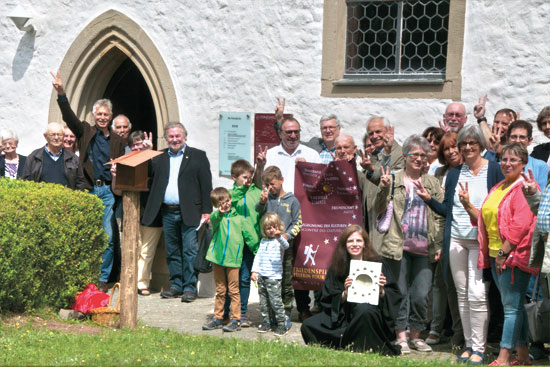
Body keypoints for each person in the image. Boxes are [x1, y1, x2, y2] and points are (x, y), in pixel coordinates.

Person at [417, 125, 504, 364]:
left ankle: (480, 347)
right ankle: (468, 345)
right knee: (462, 295)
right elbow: (447, 210)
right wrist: (429, 200)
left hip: (480, 242)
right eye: (462, 144)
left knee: (477, 295)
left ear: (480, 145)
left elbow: (499, 209)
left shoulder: (494, 170)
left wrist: (469, 206)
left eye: (471, 143)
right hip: (455, 240)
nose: (466, 147)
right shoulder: (455, 173)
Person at [51, 71, 126, 292]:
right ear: (94, 116)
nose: (102, 117)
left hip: (108, 194)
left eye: (106, 114)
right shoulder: (84, 130)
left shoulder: (118, 140)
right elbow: (68, 116)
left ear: (110, 116)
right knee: (84, 235)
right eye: (99, 114)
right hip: (88, 190)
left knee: (109, 237)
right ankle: (83, 276)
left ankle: (102, 279)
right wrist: (61, 93)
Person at [373, 134, 445, 354]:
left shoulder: (432, 182)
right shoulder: (393, 180)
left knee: (422, 295)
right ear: (405, 156)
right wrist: (384, 188)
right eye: (415, 154)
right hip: (398, 247)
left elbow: (441, 214)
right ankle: (401, 336)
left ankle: (417, 335)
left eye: (424, 155)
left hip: (425, 248)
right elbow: (378, 208)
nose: (420, 159)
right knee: (400, 293)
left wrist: (439, 243)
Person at [473, 144, 540, 366]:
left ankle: (503, 357)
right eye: (504, 159)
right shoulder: (501, 186)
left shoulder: (524, 187)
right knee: (514, 306)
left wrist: (503, 252)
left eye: (513, 160)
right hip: (496, 254)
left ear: (524, 163)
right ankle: (522, 356)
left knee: (510, 308)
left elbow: (520, 225)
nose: (507, 163)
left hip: (513, 256)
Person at [301, 224, 401, 355]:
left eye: (359, 240)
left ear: (365, 243)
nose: (355, 244)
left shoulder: (378, 263)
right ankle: (352, 341)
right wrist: (344, 294)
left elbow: (394, 295)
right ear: (345, 244)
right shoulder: (337, 267)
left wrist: (381, 290)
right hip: (343, 316)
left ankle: (354, 343)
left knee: (364, 310)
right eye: (350, 241)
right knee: (308, 326)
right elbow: (327, 298)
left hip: (368, 315)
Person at [142, 122, 212, 302]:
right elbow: (148, 175)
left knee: (190, 250)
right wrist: (148, 153)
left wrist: (207, 210)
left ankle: (189, 287)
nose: (175, 139)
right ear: (166, 138)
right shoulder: (159, 157)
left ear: (185, 137)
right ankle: (176, 285)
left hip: (190, 211)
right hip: (168, 211)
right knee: (172, 251)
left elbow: (206, 185)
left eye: (178, 136)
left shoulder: (198, 156)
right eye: (171, 136)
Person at [425, 131, 464, 348]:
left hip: (459, 235)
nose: (451, 151)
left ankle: (461, 333)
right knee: (441, 285)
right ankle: (436, 328)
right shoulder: (438, 173)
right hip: (436, 235)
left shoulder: (467, 171)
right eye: (447, 148)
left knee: (460, 287)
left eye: (454, 146)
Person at [202, 187, 258, 332]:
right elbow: (213, 219)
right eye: (221, 203)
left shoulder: (240, 219)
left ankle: (236, 319)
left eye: (227, 201)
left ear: (231, 200)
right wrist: (218, 213)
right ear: (216, 205)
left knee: (233, 290)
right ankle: (218, 317)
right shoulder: (216, 218)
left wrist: (258, 255)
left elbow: (251, 240)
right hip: (218, 259)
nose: (225, 204)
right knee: (220, 290)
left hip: (233, 260)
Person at [111, 130, 159, 296]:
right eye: (134, 145)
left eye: (140, 143)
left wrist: (150, 151)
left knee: (147, 251)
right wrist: (115, 177)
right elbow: (117, 192)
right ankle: (129, 281)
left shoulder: (155, 160)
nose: (137, 147)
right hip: (129, 211)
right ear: (130, 148)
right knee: (131, 248)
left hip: (151, 211)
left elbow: (158, 176)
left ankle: (142, 283)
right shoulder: (124, 162)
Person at [256, 166, 302, 326]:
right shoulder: (267, 199)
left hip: (285, 249)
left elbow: (298, 222)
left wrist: (287, 236)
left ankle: (286, 313)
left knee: (286, 282)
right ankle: (271, 314)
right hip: (268, 249)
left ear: (281, 180)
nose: (270, 188)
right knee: (268, 281)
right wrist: (262, 203)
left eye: (273, 184)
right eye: (267, 185)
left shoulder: (292, 200)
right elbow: (258, 213)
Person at [224, 159, 262, 327]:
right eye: (245, 177)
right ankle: (227, 312)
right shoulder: (229, 194)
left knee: (245, 279)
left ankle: (243, 313)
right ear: (234, 177)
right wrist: (242, 189)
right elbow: (229, 202)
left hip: (251, 242)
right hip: (234, 243)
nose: (249, 180)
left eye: (250, 176)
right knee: (230, 280)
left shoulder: (257, 192)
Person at [251, 213, 290, 336]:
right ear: (264, 230)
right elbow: (258, 256)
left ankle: (282, 324)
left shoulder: (280, 240)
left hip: (274, 277)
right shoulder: (263, 241)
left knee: (275, 302)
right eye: (268, 228)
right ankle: (267, 322)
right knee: (263, 302)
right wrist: (254, 271)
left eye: (274, 227)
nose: (272, 230)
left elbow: (286, 246)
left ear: (278, 227)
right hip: (262, 276)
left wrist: (279, 237)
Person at [259, 116, 322, 194]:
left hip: (301, 204)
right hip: (275, 203)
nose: (293, 136)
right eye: (289, 132)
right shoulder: (269, 155)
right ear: (280, 133)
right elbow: (258, 184)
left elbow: (320, 183)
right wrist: (259, 167)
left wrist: (307, 169)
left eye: (296, 132)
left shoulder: (312, 155)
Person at [22, 122, 85, 190]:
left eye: (59, 135)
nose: (56, 137)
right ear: (46, 136)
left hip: (66, 199)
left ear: (63, 136)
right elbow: (26, 182)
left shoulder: (73, 159)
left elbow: (80, 183)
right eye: (53, 134)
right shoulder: (34, 157)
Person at [506, 120, 548, 191]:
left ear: (530, 140)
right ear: (507, 139)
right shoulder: (500, 166)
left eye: (522, 137)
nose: (517, 141)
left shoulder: (540, 166)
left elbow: (542, 197)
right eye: (514, 137)